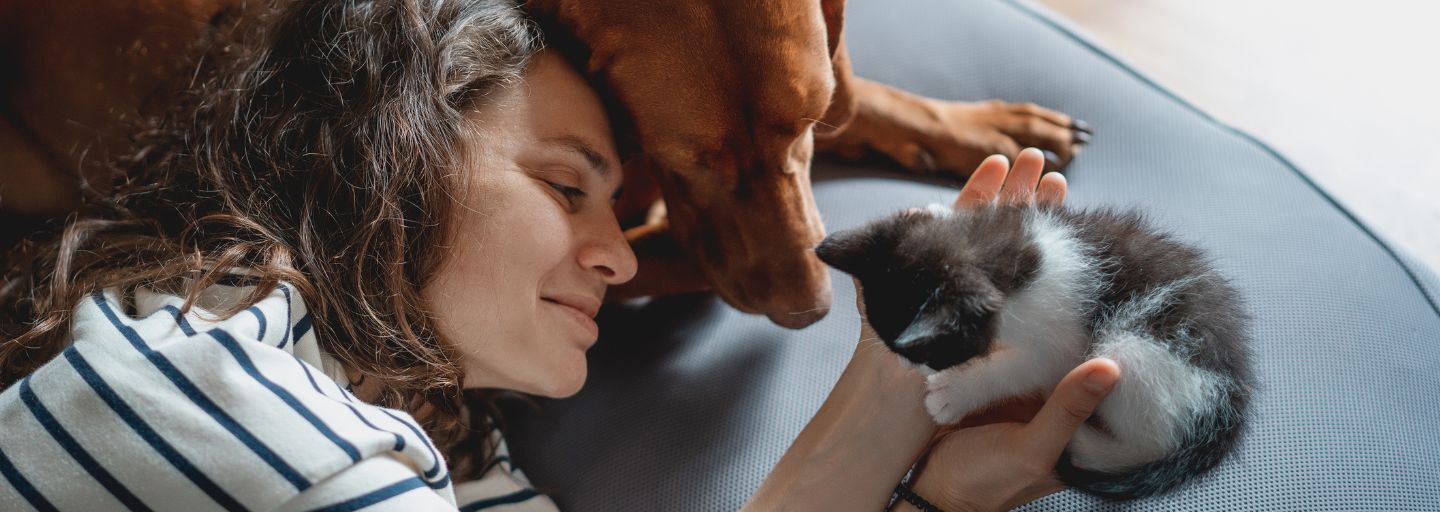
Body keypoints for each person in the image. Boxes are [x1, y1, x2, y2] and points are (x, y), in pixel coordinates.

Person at [0, 0, 1119, 510]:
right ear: (392, 150)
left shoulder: (457, 440)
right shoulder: (195, 384)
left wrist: (899, 438)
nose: (632, 260)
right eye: (567, 181)